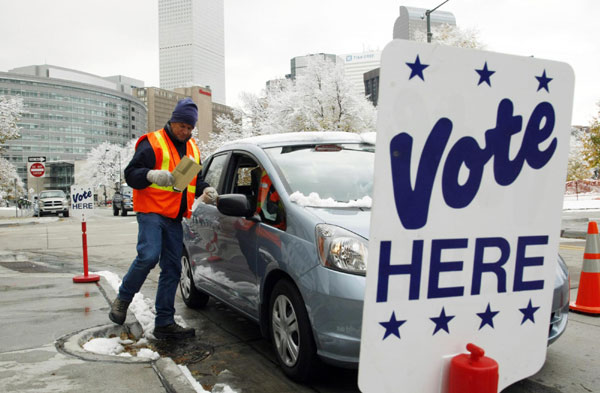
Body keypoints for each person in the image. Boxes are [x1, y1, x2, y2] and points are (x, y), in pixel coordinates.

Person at [108, 98, 216, 339]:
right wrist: (151, 175)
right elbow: (131, 174)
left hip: (175, 217)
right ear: (173, 121)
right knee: (148, 256)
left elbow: (193, 180)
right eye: (182, 126)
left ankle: (165, 322)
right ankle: (123, 299)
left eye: (190, 128)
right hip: (152, 211)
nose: (186, 132)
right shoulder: (152, 143)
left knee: (173, 267)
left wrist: (206, 188)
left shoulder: (193, 149)